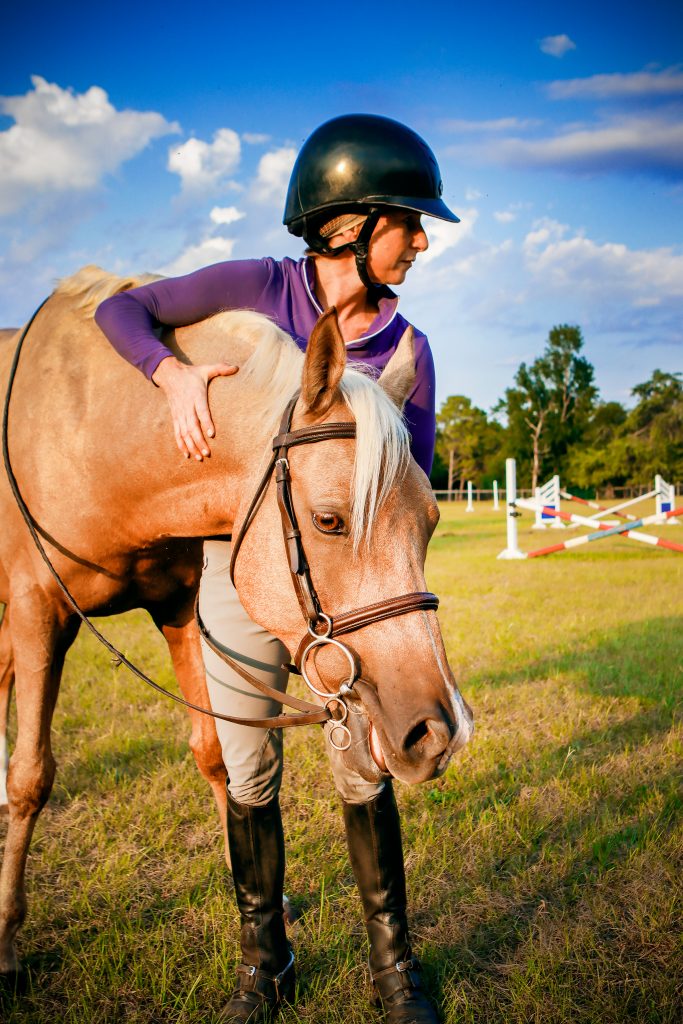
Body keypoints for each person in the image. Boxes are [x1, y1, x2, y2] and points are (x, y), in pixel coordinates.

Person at [96, 113, 460, 1024]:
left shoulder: (406, 349)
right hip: (238, 564)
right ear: (348, 224)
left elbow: (400, 500)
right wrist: (169, 377)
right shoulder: (259, 287)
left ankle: (392, 968)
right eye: (406, 220)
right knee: (249, 765)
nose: (420, 240)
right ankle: (267, 963)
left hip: (347, 583)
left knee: (360, 768)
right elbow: (119, 310)